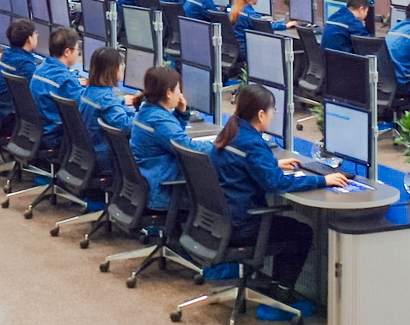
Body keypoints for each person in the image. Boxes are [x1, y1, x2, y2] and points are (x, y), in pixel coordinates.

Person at [211, 85, 348, 297]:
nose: (274, 115)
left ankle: (275, 287)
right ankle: (282, 293)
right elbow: (277, 184)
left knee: (287, 228)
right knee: (301, 232)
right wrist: (323, 180)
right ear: (261, 114)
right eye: (272, 110)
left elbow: (240, 164)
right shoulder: (254, 144)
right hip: (243, 225)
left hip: (221, 221)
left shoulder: (231, 131)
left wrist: (272, 164)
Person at [129, 66, 209, 213]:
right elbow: (188, 148)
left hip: (150, 181)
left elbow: (170, 137)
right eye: (178, 89)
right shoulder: (159, 121)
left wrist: (181, 114)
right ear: (168, 93)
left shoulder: (146, 111)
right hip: (163, 191)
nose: (180, 94)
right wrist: (220, 145)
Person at [76, 47, 134, 177]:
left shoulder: (88, 91)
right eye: (121, 64)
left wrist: (122, 102)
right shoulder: (106, 99)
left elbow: (111, 108)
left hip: (87, 156)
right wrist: (143, 117)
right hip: (103, 161)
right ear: (114, 69)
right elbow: (126, 126)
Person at [29, 26, 84, 150]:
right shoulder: (65, 81)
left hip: (38, 132)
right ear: (67, 52)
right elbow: (86, 104)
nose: (78, 53)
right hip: (55, 137)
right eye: (77, 49)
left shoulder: (40, 68)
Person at [0, 19, 41, 121]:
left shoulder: (7, 55)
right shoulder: (25, 65)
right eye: (36, 33)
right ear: (30, 39)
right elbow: (39, 90)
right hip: (11, 117)